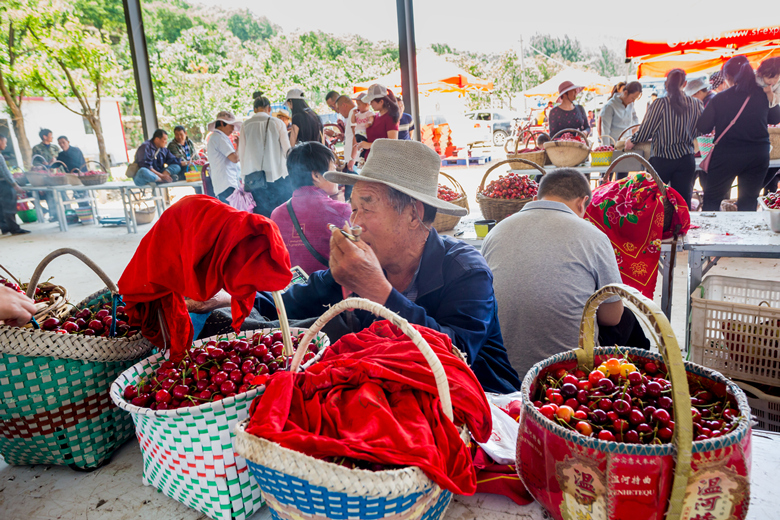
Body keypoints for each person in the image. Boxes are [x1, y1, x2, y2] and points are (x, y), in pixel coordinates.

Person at [190, 139, 522, 394]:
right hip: (397, 404)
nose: (354, 222)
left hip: (479, 411)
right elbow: (291, 299)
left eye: (367, 206)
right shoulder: (364, 260)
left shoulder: (465, 270)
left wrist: (377, 289)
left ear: (413, 214)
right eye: (352, 208)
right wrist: (224, 297)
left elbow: (454, 356)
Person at [482, 168, 647, 380]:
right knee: (626, 318)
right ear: (582, 203)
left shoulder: (495, 233)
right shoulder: (593, 236)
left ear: (536, 197)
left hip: (499, 371)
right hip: (566, 378)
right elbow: (612, 317)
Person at [698, 55, 780, 211]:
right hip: (758, 154)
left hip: (726, 155)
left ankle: (713, 232)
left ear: (728, 77)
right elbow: (775, 118)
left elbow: (704, 127)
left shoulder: (719, 98)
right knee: (748, 201)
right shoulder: (765, 94)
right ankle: (745, 234)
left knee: (712, 199)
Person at [270, 142, 351, 274]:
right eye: (333, 169)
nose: (337, 174)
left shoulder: (276, 214)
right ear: (316, 176)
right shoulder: (342, 211)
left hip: (290, 291)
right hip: (329, 291)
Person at [627, 69, 703, 207]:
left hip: (661, 160)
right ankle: (681, 228)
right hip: (686, 159)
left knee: (656, 202)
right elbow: (701, 131)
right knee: (682, 204)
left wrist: (632, 140)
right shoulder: (696, 104)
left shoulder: (659, 104)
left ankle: (659, 227)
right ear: (684, 83)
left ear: (666, 83)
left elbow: (646, 131)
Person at [239, 95, 293, 217]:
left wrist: (243, 176)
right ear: (269, 109)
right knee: (280, 211)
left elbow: (241, 152)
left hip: (255, 179)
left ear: (254, 109)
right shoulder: (278, 123)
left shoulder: (245, 125)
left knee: (262, 213)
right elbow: (287, 150)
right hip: (277, 175)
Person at [206, 111, 242, 204]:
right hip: (226, 185)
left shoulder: (219, 137)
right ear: (222, 123)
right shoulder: (218, 137)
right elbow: (235, 158)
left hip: (225, 184)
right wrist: (239, 145)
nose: (233, 128)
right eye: (231, 125)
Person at [0, 134, 30, 235]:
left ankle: (5, 228)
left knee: (1, 207)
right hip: (4, 184)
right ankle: (14, 229)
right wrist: (15, 185)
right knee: (9, 208)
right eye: (5, 142)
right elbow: (5, 172)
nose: (5, 144)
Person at [359, 84, 399, 155]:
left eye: (372, 101)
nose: (370, 104)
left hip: (383, 160)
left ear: (381, 102)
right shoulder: (375, 116)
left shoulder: (390, 118)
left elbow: (393, 144)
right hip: (371, 158)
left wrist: (369, 145)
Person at [335, 95, 357, 171]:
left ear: (344, 105)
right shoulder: (351, 114)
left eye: (338, 109)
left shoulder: (353, 113)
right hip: (353, 159)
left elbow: (356, 136)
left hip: (354, 160)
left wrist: (352, 159)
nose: (338, 112)